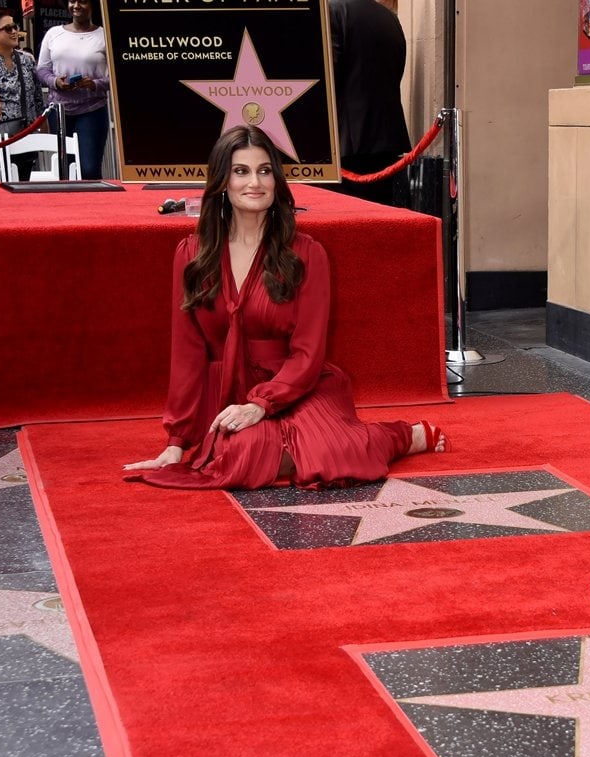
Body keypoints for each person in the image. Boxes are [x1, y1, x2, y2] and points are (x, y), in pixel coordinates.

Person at [124, 125, 447, 490]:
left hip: (297, 387)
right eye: (241, 171)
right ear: (221, 183)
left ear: (277, 180)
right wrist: (176, 441)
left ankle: (400, 436)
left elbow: (309, 352)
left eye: (264, 171)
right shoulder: (191, 254)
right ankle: (333, 442)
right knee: (245, 456)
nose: (255, 183)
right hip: (229, 394)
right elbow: (187, 352)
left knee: (328, 456)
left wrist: (261, 404)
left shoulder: (306, 253)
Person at [326, 0, 412, 207]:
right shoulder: (389, 17)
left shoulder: (330, 11)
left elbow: (325, 78)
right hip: (385, 146)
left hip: (344, 148)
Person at [36, 0, 110, 179]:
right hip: (58, 112)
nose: (76, 6)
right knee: (64, 169)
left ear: (92, 6)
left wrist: (94, 84)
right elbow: (42, 69)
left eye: (83, 1)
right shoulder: (53, 33)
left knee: (89, 168)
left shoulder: (104, 35)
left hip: (92, 109)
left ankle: (93, 206)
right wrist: (55, 82)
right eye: (72, 1)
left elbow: (114, 78)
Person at [0, 11, 46, 177]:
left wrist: (42, 123)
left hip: (26, 131)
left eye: (15, 26)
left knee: (25, 180)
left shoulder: (27, 59)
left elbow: (37, 95)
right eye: (7, 28)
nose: (14, 31)